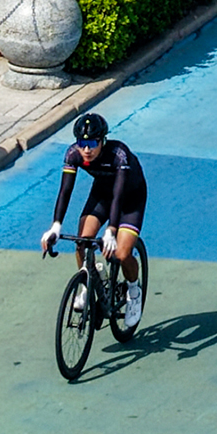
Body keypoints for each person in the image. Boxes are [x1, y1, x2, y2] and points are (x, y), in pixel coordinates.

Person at [42, 111, 148, 328]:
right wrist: (55, 226)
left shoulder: (119, 154)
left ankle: (134, 291)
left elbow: (118, 196)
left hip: (130, 199)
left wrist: (111, 231)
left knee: (122, 253)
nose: (87, 150)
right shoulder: (73, 154)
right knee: (82, 241)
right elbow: (65, 191)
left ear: (103, 141)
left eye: (92, 143)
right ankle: (88, 281)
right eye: (82, 143)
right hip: (102, 194)